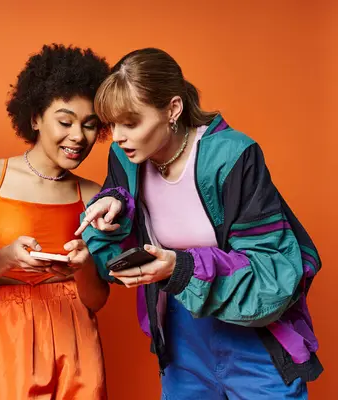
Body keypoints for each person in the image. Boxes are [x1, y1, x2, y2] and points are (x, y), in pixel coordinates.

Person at [76, 48, 322, 399]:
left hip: (253, 333)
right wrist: (114, 205)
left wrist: (180, 266)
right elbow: (116, 254)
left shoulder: (232, 155)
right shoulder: (126, 158)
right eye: (112, 124)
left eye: (131, 123)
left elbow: (273, 271)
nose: (117, 136)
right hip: (181, 334)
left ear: (172, 109)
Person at [0, 44, 110, 399]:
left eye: (89, 125)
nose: (78, 137)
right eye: (65, 122)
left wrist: (82, 268)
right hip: (9, 336)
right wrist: (8, 259)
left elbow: (97, 299)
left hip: (77, 335)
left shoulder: (95, 194)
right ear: (35, 117)